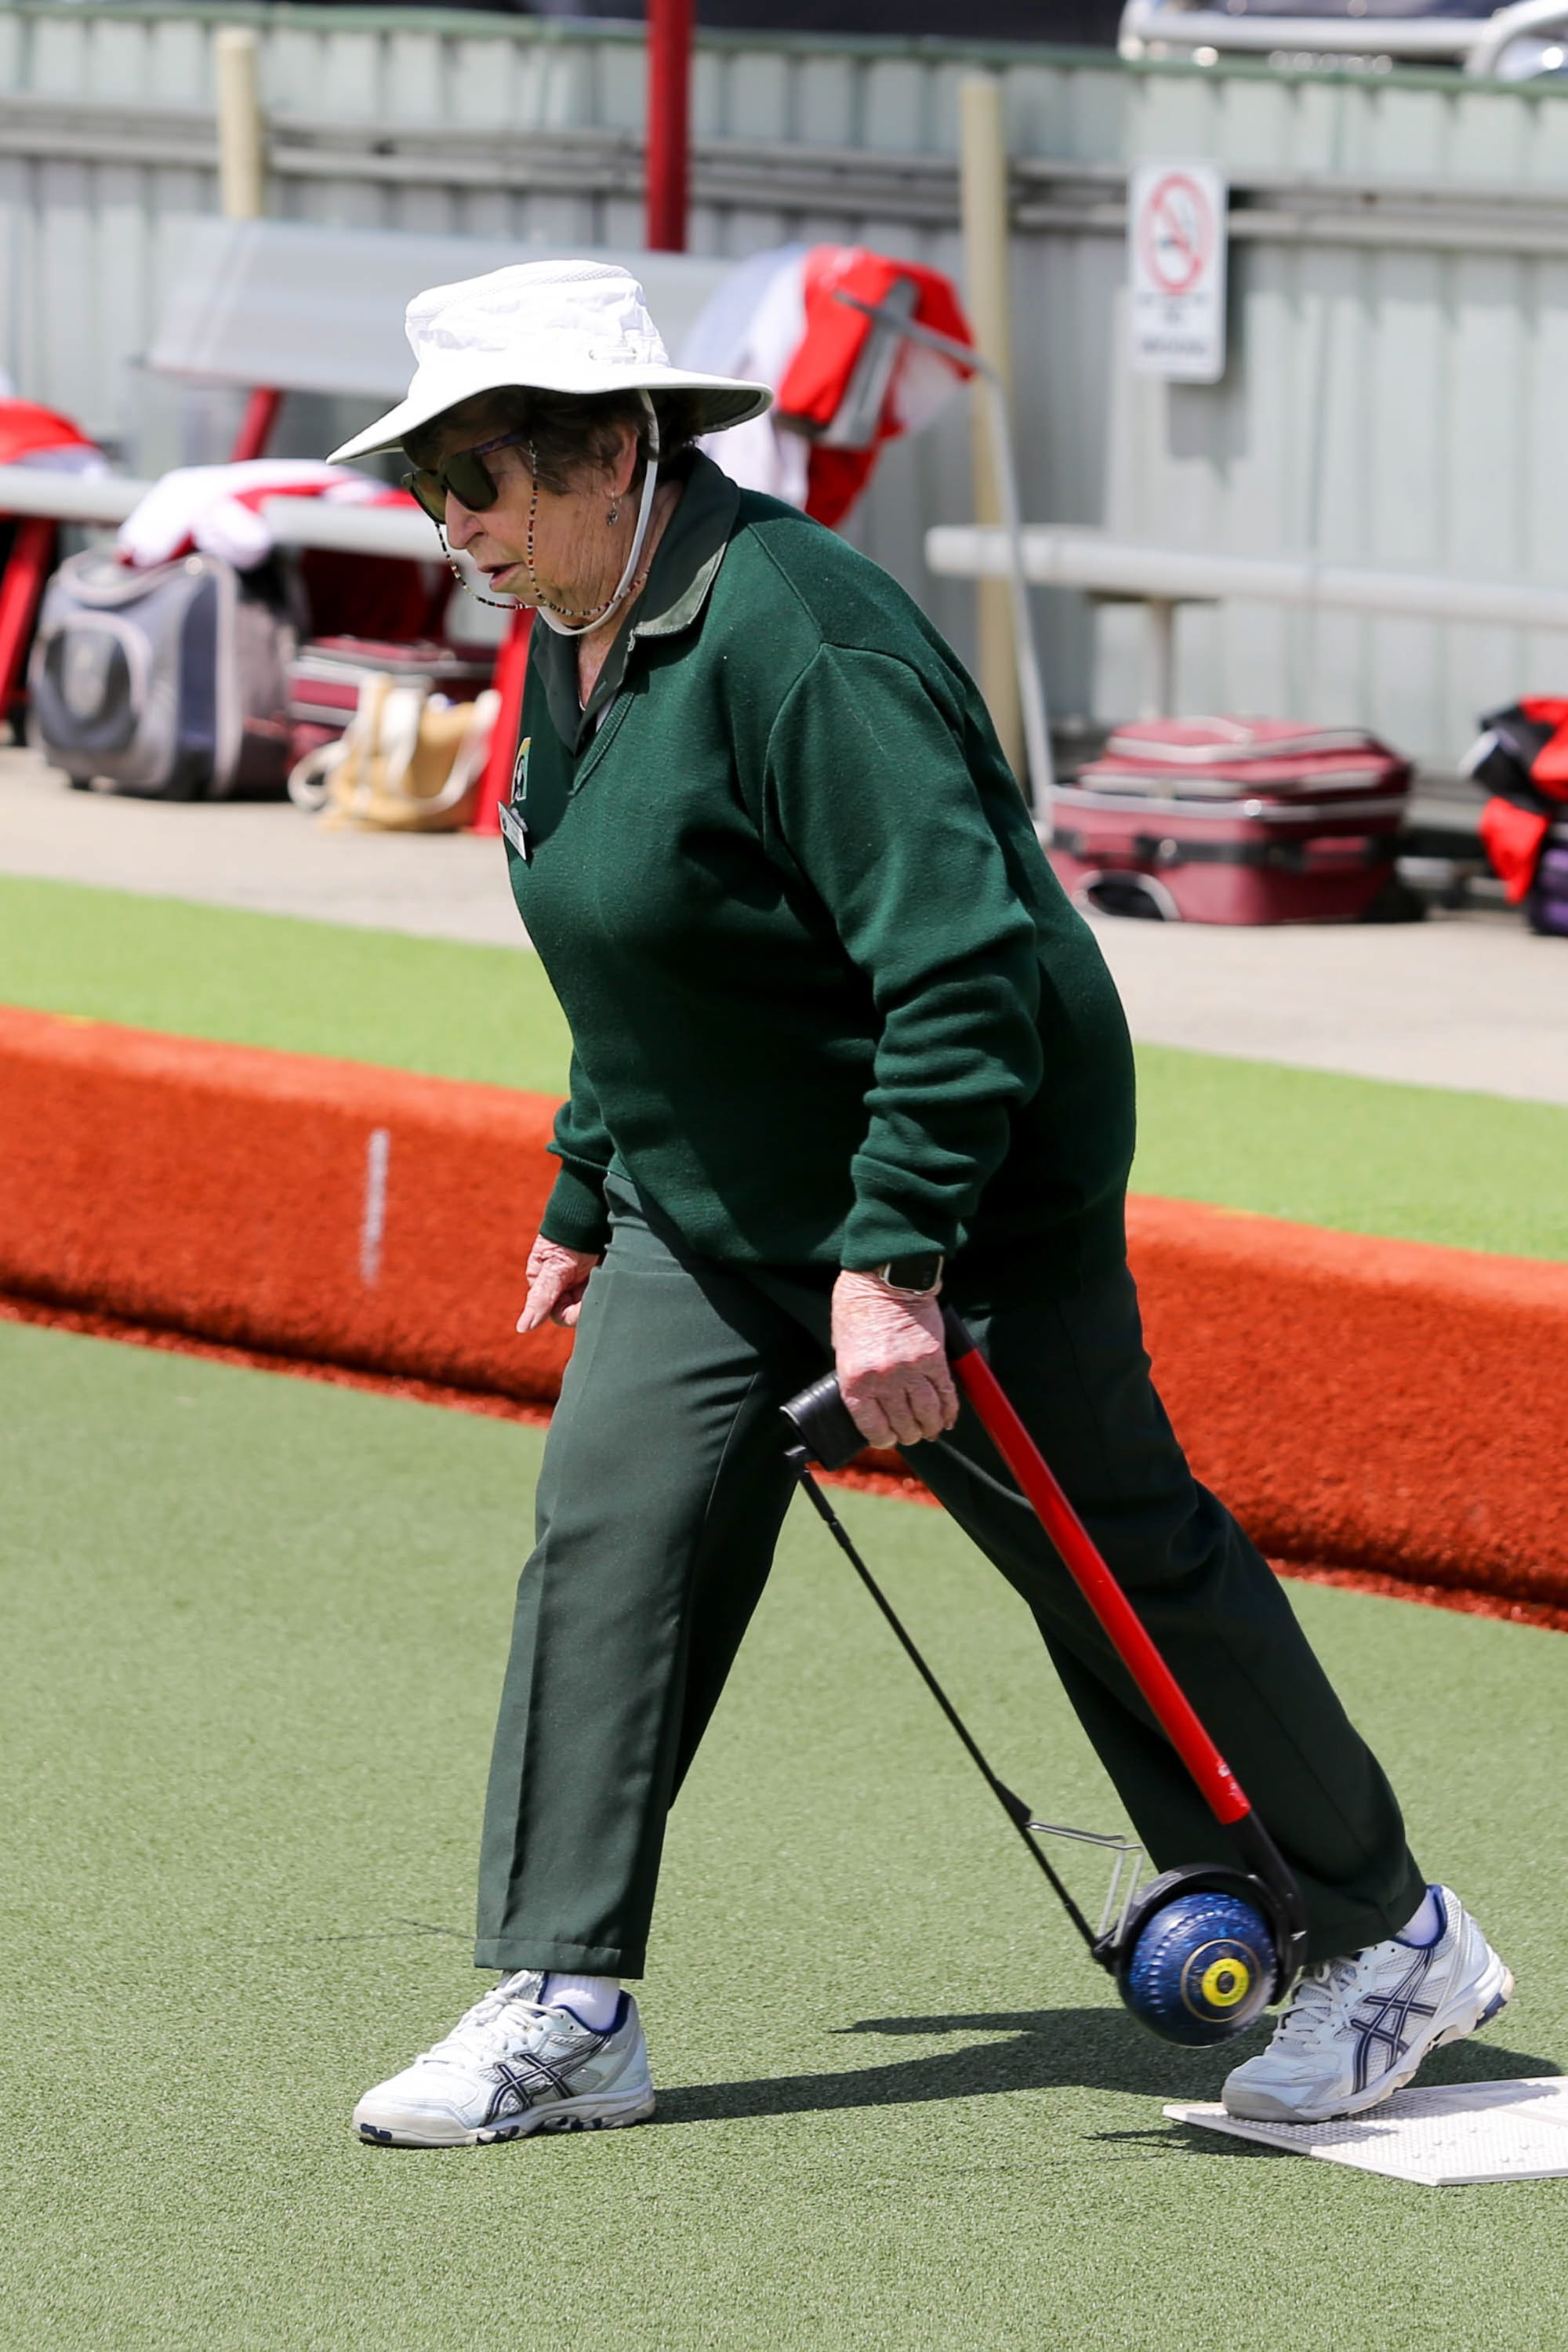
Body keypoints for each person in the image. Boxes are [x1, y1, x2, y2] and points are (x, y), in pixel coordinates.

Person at [332, 259, 1512, 2148]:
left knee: (1111, 1562)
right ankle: (571, 1995)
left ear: (618, 451)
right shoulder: (565, 621)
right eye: (431, 486)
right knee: (611, 1545)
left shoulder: (801, 635)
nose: (455, 525)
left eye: (483, 479)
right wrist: (582, 1178)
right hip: (711, 1201)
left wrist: (893, 1262)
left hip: (962, 1192)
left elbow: (958, 968)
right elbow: (646, 950)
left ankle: (1394, 1941)